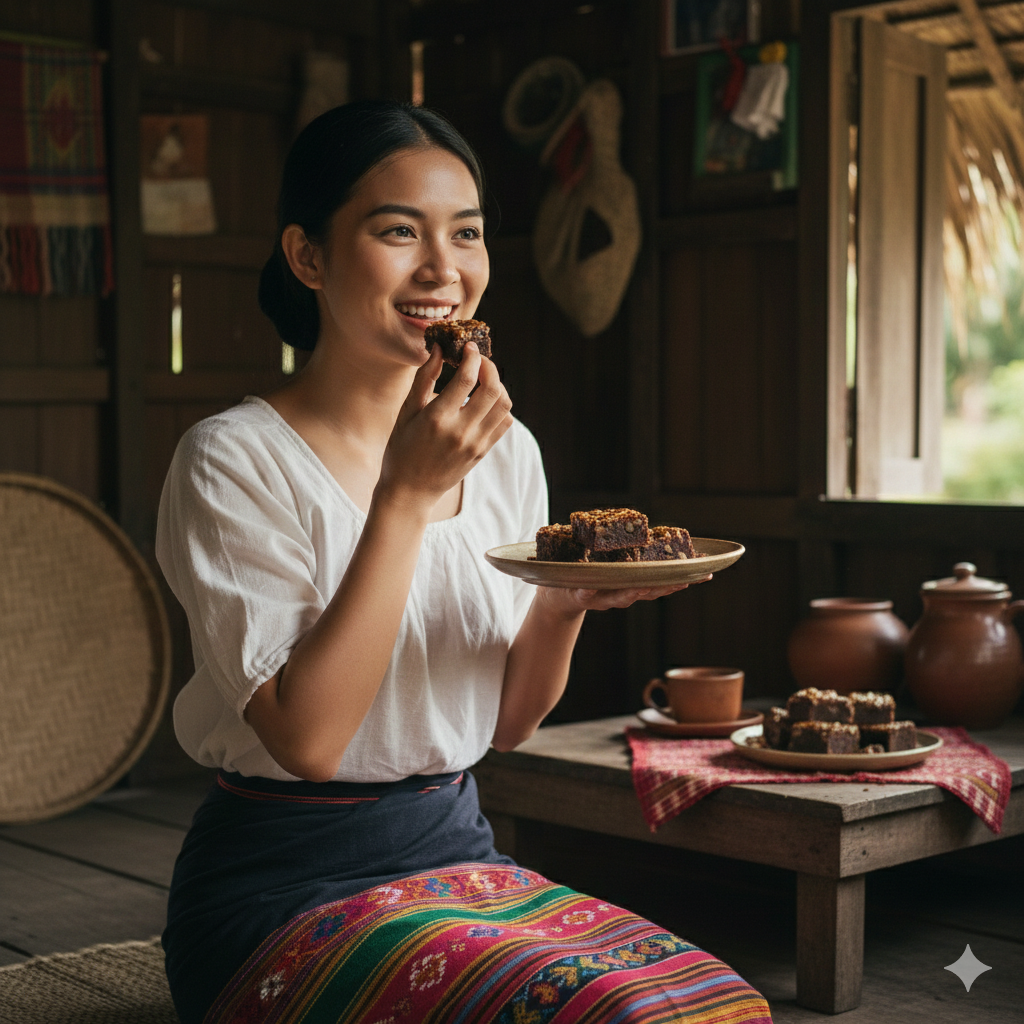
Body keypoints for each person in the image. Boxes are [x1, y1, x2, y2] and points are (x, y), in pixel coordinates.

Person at [156, 100, 772, 1024]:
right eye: (398, 231)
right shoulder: (233, 459)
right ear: (309, 256)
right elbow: (309, 741)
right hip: (278, 894)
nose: (443, 270)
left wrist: (564, 601)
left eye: (468, 234)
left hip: (460, 856)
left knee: (711, 1009)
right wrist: (402, 497)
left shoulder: (504, 448)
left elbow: (508, 722)